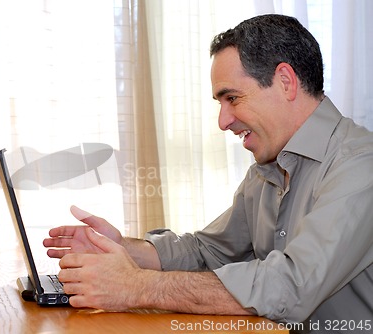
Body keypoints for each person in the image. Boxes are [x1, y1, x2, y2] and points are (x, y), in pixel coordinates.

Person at [43, 14, 373, 332]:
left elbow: (290, 285)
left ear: (285, 82)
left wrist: (136, 286)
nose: (223, 121)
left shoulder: (361, 163)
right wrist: (124, 250)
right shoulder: (267, 169)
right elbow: (209, 251)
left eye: (232, 98)